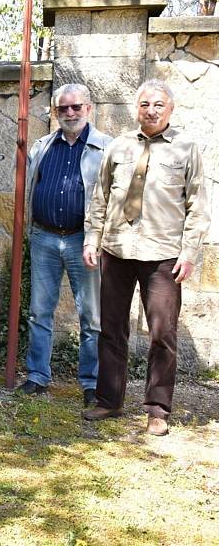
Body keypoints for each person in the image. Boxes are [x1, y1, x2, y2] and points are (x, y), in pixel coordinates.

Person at [82, 80, 210, 436]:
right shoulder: (119, 146)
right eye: (144, 104)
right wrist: (92, 239)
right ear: (135, 108)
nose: (150, 111)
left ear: (170, 109)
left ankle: (157, 409)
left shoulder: (186, 148)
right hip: (117, 250)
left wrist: (189, 252)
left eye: (158, 105)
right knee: (110, 329)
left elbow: (197, 206)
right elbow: (100, 196)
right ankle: (109, 400)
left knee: (162, 334)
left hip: (163, 256)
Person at [17, 84, 112, 406]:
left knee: (92, 316)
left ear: (88, 109)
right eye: (63, 109)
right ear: (55, 112)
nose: (69, 114)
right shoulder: (43, 146)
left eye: (76, 107)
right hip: (44, 238)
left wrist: (97, 239)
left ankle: (91, 382)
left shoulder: (105, 149)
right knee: (39, 312)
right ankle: (37, 376)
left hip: (82, 242)